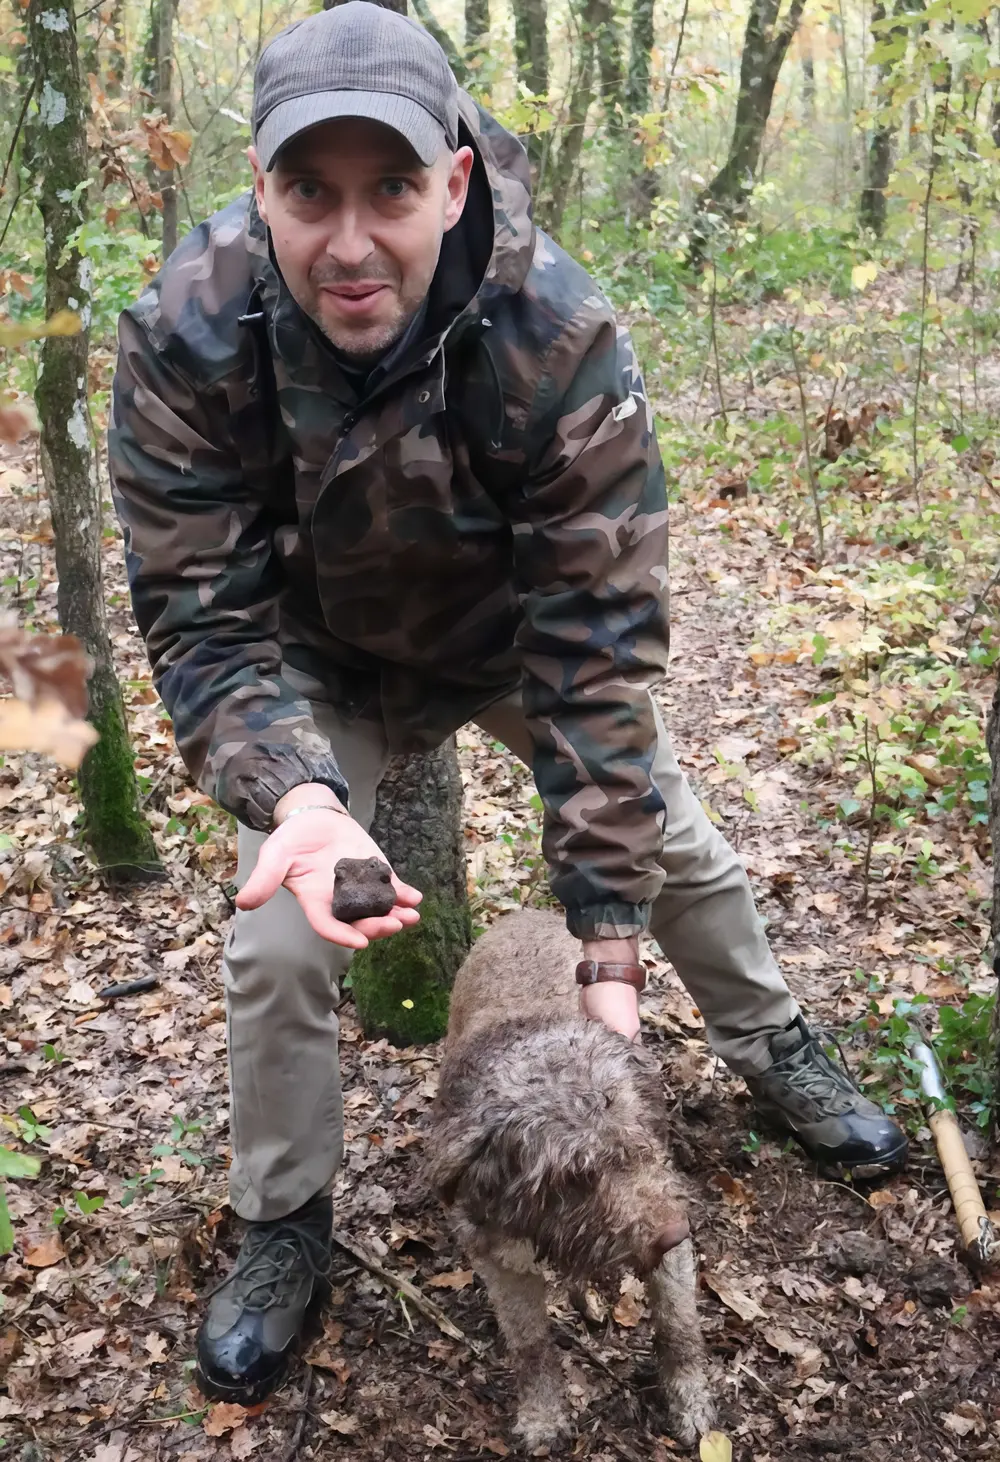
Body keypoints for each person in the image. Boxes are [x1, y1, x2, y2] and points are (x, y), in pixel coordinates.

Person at [108, 1, 907, 1407]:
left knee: (673, 841)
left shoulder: (556, 325)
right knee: (282, 943)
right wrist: (297, 797)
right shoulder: (185, 332)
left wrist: (604, 926)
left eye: (392, 191)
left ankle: (773, 1041)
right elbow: (200, 617)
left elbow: (599, 633)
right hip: (312, 674)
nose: (350, 243)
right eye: (310, 193)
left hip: (511, 642)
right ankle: (288, 1221)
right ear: (260, 188)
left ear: (456, 179)